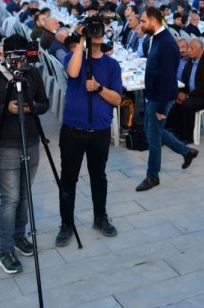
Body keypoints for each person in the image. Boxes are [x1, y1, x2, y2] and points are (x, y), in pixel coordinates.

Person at [0, 35, 49, 275]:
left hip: (30, 140)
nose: (19, 64)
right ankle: (5, 249)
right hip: (5, 143)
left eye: (22, 59)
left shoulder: (32, 73)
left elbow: (44, 104)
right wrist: (5, 109)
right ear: (4, 53)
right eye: (13, 58)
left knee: (25, 195)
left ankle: (20, 235)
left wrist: (31, 108)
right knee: (10, 198)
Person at [55, 23, 123, 247]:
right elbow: (73, 72)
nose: (97, 33)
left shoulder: (112, 65)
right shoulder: (74, 57)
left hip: (99, 131)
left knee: (99, 177)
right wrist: (81, 39)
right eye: (93, 30)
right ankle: (66, 224)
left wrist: (99, 88)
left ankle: (100, 217)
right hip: (73, 129)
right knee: (68, 180)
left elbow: (117, 99)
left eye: (100, 31)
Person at [136, 8, 198, 192]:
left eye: (143, 21)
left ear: (154, 22)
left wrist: (161, 107)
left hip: (160, 97)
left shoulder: (167, 44)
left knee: (153, 136)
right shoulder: (156, 37)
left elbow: (168, 79)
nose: (141, 24)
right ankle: (186, 151)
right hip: (153, 95)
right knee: (152, 131)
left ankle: (152, 176)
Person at [168, 38, 204, 145]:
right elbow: (185, 79)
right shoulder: (191, 60)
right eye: (189, 47)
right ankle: (177, 131)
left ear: (200, 49)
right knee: (174, 100)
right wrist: (182, 93)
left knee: (187, 105)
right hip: (193, 93)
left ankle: (188, 136)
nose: (189, 51)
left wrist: (187, 96)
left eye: (192, 48)